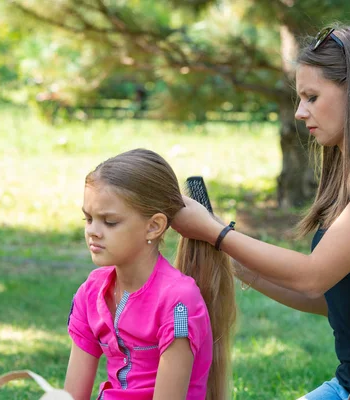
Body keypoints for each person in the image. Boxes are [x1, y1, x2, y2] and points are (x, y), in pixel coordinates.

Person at [172, 25, 350, 400]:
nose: (300, 112)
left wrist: (219, 233)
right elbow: (329, 299)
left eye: (312, 97)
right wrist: (233, 261)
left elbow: (313, 277)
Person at [64, 149, 236, 400]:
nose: (93, 231)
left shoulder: (178, 301)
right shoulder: (90, 293)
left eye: (109, 222)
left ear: (154, 226)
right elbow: (72, 396)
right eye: (88, 219)